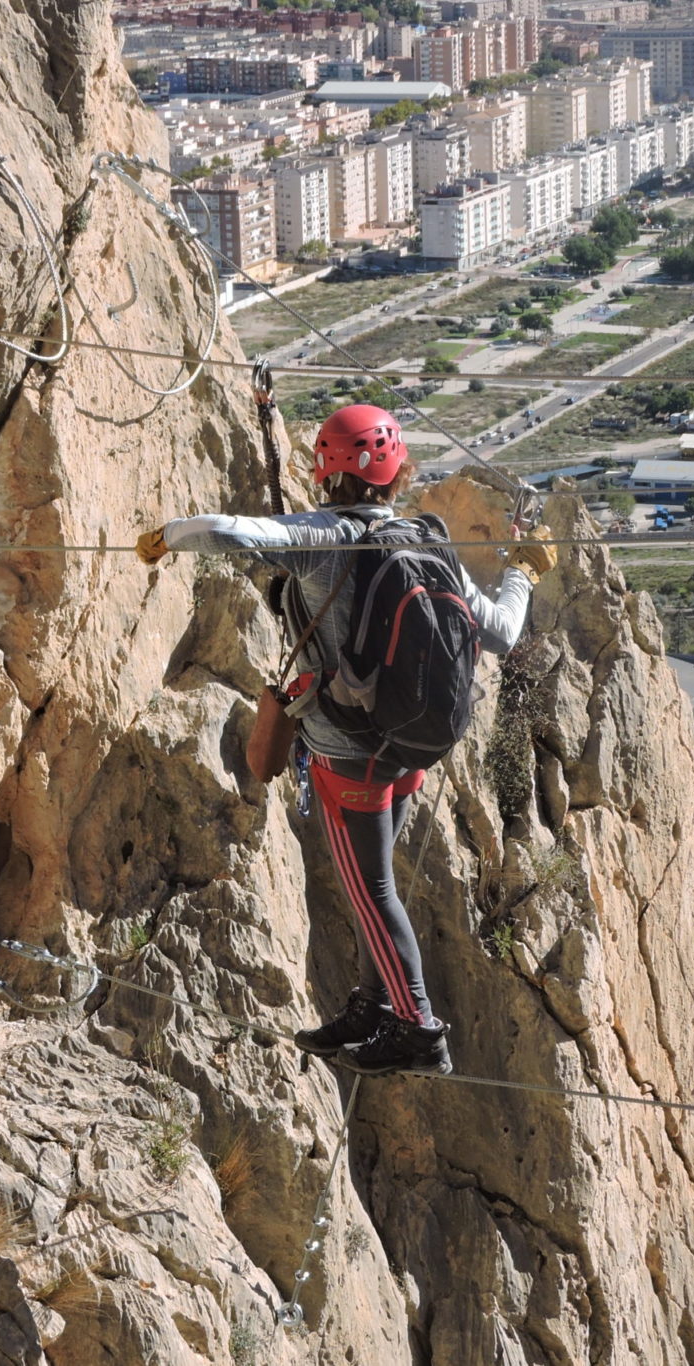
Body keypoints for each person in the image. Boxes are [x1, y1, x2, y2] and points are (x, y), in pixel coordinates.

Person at [134, 404, 557, 1076]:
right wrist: (523, 574)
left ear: (326, 471)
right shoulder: (425, 541)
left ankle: (418, 1027)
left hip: (348, 752)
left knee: (371, 890)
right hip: (411, 745)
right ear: (398, 473)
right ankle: (372, 1004)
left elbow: (225, 531)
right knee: (373, 886)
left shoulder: (325, 537)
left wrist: (166, 537)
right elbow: (502, 631)